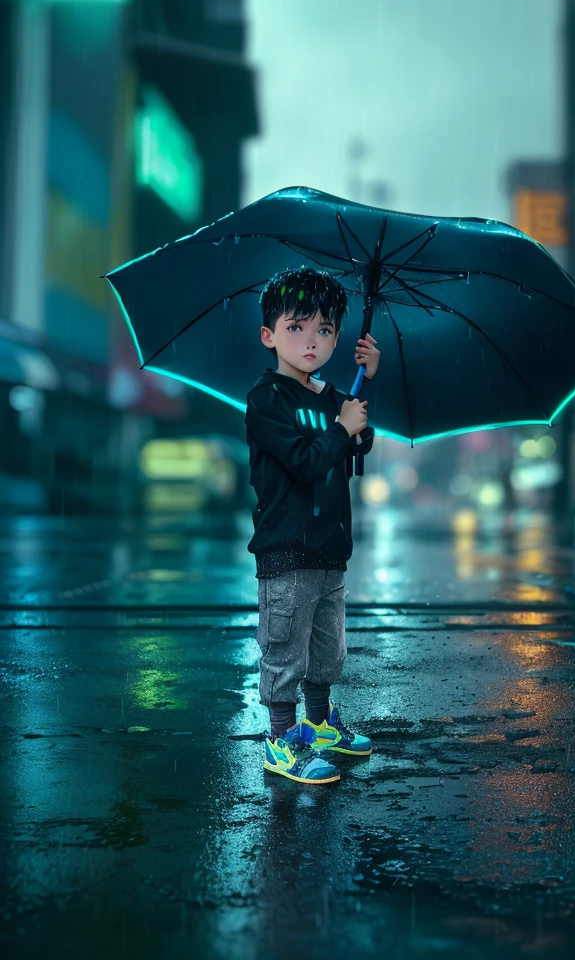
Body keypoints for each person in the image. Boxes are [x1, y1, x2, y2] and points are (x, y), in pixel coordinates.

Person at [245, 267, 381, 784]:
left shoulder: (330, 396)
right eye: (297, 326)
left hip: (329, 548)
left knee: (327, 649)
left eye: (324, 330)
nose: (311, 340)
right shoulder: (266, 399)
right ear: (269, 335)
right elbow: (304, 459)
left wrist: (366, 386)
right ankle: (280, 739)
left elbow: (358, 443)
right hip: (286, 546)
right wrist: (342, 430)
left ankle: (319, 723)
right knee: (284, 648)